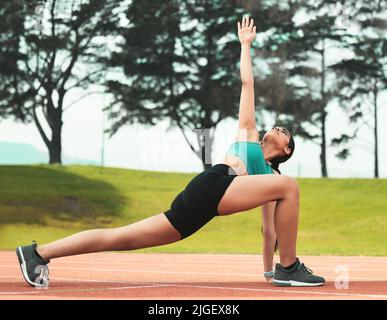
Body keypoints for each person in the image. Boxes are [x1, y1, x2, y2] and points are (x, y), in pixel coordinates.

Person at [16, 16, 325, 288]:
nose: (279, 129)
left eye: (286, 133)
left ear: (285, 151)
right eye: (278, 126)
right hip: (216, 182)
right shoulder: (249, 138)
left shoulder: (270, 181)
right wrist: (245, 45)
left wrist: (267, 272)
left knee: (121, 237)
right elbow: (248, 84)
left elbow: (270, 230)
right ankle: (290, 267)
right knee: (291, 186)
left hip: (196, 212)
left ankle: (38, 254)